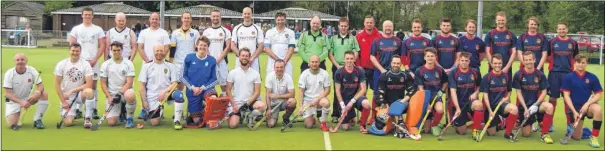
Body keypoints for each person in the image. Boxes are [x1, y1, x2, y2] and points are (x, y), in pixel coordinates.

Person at [68, 7, 106, 120]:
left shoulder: (98, 29)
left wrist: (95, 59)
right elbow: (72, 45)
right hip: (80, 62)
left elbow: (102, 45)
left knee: (93, 85)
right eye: (86, 14)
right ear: (82, 15)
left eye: (90, 15)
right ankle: (78, 109)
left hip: (93, 62)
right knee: (79, 84)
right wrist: (77, 60)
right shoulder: (76, 29)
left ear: (92, 16)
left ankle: (93, 108)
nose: (87, 16)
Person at [561, 54, 602, 148]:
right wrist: (574, 112)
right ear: (574, 63)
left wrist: (587, 104)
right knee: (576, 137)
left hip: (588, 107)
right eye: (578, 62)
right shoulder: (569, 77)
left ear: (586, 63)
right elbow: (566, 96)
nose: (581, 65)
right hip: (575, 108)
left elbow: (598, 95)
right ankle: (585, 130)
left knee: (598, 109)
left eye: (583, 62)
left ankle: (594, 137)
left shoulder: (592, 77)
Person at [368, 54, 416, 136]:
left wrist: (403, 101)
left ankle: (404, 123)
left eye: (398, 63)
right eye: (394, 63)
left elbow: (412, 90)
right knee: (380, 126)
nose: (396, 65)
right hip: (387, 105)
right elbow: (379, 93)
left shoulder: (406, 76)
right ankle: (390, 122)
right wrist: (384, 105)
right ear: (391, 63)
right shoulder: (384, 76)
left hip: (401, 104)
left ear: (401, 64)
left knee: (412, 104)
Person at [513, 51, 554, 143]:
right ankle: (531, 121)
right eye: (526, 60)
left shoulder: (540, 74)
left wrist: (536, 104)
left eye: (530, 59)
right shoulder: (518, 74)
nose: (528, 62)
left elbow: (544, 92)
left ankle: (544, 134)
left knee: (549, 106)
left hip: (537, 104)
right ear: (523, 61)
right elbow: (518, 93)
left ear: (534, 60)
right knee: (526, 134)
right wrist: (525, 108)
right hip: (525, 106)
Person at [136, 12, 171, 119]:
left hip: (160, 64)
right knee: (145, 86)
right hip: (147, 64)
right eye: (153, 19)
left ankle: (160, 107)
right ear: (149, 20)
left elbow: (166, 47)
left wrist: (159, 59)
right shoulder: (143, 32)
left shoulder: (163, 33)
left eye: (156, 19)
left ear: (159, 20)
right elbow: (140, 48)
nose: (154, 21)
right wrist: (148, 61)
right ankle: (144, 109)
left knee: (160, 85)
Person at [169, 12, 200, 128]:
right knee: (179, 88)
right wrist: (171, 63)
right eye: (184, 18)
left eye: (188, 18)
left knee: (191, 88)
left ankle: (191, 112)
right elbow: (172, 49)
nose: (186, 20)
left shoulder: (195, 33)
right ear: (181, 19)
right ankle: (178, 112)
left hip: (191, 65)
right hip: (177, 64)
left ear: (191, 20)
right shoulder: (175, 33)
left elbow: (197, 48)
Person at [478, 54, 519, 141]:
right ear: (491, 64)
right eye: (495, 63)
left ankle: (507, 133)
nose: (497, 65)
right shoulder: (487, 77)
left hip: (501, 105)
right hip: (491, 107)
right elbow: (485, 96)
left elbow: (509, 90)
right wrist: (489, 111)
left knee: (514, 109)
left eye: (499, 63)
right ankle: (499, 122)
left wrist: (506, 97)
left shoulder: (506, 76)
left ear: (502, 63)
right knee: (491, 133)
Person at [54, 43, 95, 128]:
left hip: (80, 94)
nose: (75, 53)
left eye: (77, 51)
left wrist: (72, 90)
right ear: (69, 51)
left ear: (80, 52)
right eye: (73, 51)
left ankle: (87, 117)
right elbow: (57, 84)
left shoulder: (85, 64)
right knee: (68, 123)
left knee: (89, 91)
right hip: (67, 97)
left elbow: (89, 84)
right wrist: (63, 102)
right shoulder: (62, 64)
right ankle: (73, 113)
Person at [547, 22, 579, 131]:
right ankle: (549, 123)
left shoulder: (573, 43)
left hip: (568, 74)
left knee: (567, 99)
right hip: (554, 74)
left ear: (567, 29)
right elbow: (547, 56)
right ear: (557, 30)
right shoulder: (551, 42)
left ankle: (569, 125)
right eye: (559, 29)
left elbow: (575, 57)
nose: (562, 31)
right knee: (552, 98)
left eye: (563, 29)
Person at [4, 53, 49, 130]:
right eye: (17, 60)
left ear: (26, 61)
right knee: (12, 123)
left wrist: (37, 93)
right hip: (14, 101)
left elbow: (40, 85)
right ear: (14, 61)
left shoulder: (32, 70)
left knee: (43, 94)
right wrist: (21, 102)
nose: (20, 62)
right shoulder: (9, 74)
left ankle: (37, 120)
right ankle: (17, 113)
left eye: (22, 59)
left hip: (29, 98)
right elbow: (8, 94)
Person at [138, 45, 178, 126]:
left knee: (178, 95)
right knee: (154, 123)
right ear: (153, 52)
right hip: (152, 95)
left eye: (161, 51)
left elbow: (175, 83)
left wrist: (164, 91)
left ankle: (177, 120)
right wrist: (144, 101)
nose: (159, 53)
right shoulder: (147, 66)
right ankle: (160, 109)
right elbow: (142, 85)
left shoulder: (170, 65)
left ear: (165, 52)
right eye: (157, 51)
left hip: (166, 94)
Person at [181, 36, 217, 129]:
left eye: (205, 45)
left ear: (207, 47)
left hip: (206, 89)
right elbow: (182, 76)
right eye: (201, 45)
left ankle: (208, 111)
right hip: (193, 91)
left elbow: (215, 79)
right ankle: (199, 110)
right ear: (196, 45)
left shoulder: (212, 60)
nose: (202, 47)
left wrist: (202, 88)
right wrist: (193, 88)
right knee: (197, 121)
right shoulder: (189, 58)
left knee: (213, 98)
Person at [328, 17, 360, 122]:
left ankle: (350, 115)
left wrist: (350, 63)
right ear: (338, 26)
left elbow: (356, 52)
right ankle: (335, 114)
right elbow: (330, 53)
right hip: (337, 67)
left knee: (350, 90)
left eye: (345, 26)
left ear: (348, 26)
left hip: (350, 67)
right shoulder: (333, 38)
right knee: (337, 90)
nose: (343, 28)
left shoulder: (352, 38)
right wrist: (337, 65)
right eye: (341, 26)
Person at [225, 48, 266, 129]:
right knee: (233, 125)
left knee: (263, 106)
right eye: (243, 55)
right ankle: (241, 115)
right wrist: (234, 105)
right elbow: (228, 90)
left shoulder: (255, 73)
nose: (244, 57)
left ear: (249, 58)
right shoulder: (232, 73)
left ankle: (249, 117)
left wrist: (247, 104)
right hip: (237, 103)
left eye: (247, 56)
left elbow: (257, 92)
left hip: (250, 102)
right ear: (239, 57)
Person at [99, 42, 137, 128]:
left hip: (124, 93)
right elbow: (103, 83)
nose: (116, 52)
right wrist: (109, 97)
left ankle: (129, 118)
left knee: (130, 95)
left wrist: (120, 93)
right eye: (114, 50)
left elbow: (129, 82)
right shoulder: (106, 64)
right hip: (112, 96)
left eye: (118, 50)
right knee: (111, 123)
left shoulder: (128, 63)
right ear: (111, 51)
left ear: (122, 50)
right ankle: (120, 111)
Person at [414, 48, 447, 136]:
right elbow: (420, 89)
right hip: (425, 97)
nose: (430, 58)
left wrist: (441, 91)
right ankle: (430, 120)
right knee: (426, 130)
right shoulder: (419, 71)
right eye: (428, 56)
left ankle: (435, 124)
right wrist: (426, 103)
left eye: (432, 56)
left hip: (436, 96)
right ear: (424, 58)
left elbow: (445, 82)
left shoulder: (440, 70)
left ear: (435, 57)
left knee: (440, 110)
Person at [334, 51, 370, 131]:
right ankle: (351, 116)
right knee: (345, 128)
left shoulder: (360, 71)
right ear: (344, 59)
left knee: (366, 104)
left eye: (351, 59)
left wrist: (352, 101)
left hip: (356, 99)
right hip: (344, 100)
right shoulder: (339, 72)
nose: (349, 61)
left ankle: (362, 125)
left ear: (354, 59)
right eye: (347, 59)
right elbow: (337, 90)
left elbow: (363, 89)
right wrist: (343, 106)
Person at [449, 52, 481, 136]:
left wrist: (476, 93)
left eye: (466, 60)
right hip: (459, 104)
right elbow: (452, 91)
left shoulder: (475, 71)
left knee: (478, 104)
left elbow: (479, 86)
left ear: (469, 61)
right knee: (462, 132)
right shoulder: (453, 73)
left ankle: (475, 130)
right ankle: (471, 120)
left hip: (471, 102)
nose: (464, 62)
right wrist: (457, 108)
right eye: (462, 60)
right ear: (459, 61)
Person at [298, 55, 332, 131]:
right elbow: (301, 91)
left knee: (326, 103)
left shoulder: (325, 73)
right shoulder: (304, 74)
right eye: (312, 62)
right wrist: (300, 106)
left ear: (319, 63)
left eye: (316, 62)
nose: (314, 64)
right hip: (308, 101)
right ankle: (312, 117)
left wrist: (317, 99)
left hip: (320, 99)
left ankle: (323, 122)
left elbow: (327, 90)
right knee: (309, 125)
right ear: (309, 63)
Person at [203, 10, 231, 96]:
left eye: (217, 16)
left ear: (220, 17)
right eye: (214, 16)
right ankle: (212, 103)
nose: (215, 18)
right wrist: (211, 59)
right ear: (211, 18)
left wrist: (218, 59)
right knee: (210, 84)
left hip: (222, 62)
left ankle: (225, 105)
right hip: (209, 62)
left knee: (224, 85)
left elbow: (228, 47)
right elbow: (204, 46)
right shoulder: (206, 32)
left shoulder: (226, 31)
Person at [370, 20, 403, 93]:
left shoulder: (398, 41)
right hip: (380, 71)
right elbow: (372, 57)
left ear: (393, 27)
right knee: (377, 94)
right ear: (382, 28)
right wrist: (381, 69)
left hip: (394, 72)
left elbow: (402, 57)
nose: (388, 28)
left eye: (390, 26)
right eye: (386, 26)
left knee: (393, 93)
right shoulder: (377, 41)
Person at [484, 11, 517, 83]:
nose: (501, 22)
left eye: (502, 20)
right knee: (491, 89)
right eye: (499, 20)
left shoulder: (512, 35)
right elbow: (487, 51)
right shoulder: (490, 34)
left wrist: (507, 67)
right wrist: (493, 65)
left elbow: (514, 53)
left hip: (507, 68)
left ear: (506, 21)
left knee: (507, 90)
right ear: (496, 21)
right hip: (493, 67)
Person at [264, 60, 297, 128]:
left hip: (283, 103)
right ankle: (273, 115)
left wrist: (277, 96)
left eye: (281, 67)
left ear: (284, 68)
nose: (279, 69)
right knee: (271, 125)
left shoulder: (288, 77)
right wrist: (269, 108)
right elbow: (268, 95)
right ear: (274, 68)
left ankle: (285, 118)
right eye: (277, 67)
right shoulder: (269, 77)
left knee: (292, 101)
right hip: (273, 104)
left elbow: (292, 94)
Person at [231, 7, 264, 72]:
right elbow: (232, 46)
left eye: (248, 14)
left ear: (251, 15)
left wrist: (251, 59)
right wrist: (242, 57)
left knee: (254, 81)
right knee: (239, 80)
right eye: (245, 14)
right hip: (240, 61)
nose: (247, 15)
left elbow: (261, 45)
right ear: (242, 15)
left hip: (253, 61)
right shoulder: (237, 28)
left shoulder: (257, 28)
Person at [264, 12, 296, 76]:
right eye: (278, 20)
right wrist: (278, 60)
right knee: (271, 85)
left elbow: (291, 49)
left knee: (287, 85)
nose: (280, 22)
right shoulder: (269, 32)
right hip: (272, 64)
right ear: (275, 20)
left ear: (285, 20)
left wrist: (284, 62)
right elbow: (267, 49)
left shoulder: (290, 32)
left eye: (282, 20)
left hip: (286, 64)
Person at [356, 15, 381, 90]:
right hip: (363, 69)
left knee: (377, 91)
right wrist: (358, 66)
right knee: (362, 91)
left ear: (374, 24)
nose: (369, 24)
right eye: (367, 22)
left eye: (371, 22)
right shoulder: (359, 36)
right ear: (364, 23)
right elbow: (356, 52)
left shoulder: (380, 36)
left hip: (376, 68)